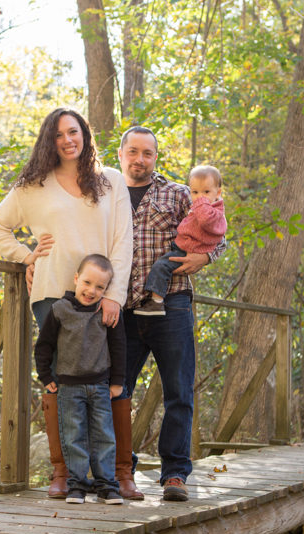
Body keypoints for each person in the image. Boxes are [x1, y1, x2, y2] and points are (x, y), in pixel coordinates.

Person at [0, 108, 133, 499]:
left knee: (106, 381)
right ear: (49, 141)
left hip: (99, 296)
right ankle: (63, 473)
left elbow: (122, 241)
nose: (68, 140)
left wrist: (114, 295)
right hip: (52, 292)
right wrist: (26, 255)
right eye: (59, 135)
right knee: (57, 382)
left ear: (85, 133)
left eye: (74, 131)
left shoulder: (111, 181)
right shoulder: (32, 186)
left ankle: (115, 475)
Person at [115, 126, 227, 501]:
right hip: (124, 308)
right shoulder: (106, 195)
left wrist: (205, 256)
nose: (140, 159)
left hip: (172, 305)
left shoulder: (179, 193)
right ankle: (120, 468)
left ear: (155, 158)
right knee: (117, 390)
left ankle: (174, 474)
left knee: (178, 392)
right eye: (133, 151)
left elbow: (218, 234)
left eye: (147, 153)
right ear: (121, 153)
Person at [34, 254, 126, 504]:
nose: (91, 290)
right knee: (73, 436)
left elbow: (118, 346)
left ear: (106, 289)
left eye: (100, 287)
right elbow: (44, 346)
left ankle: (107, 485)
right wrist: (45, 376)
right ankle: (77, 485)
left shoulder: (106, 311)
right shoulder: (60, 310)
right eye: (87, 283)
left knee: (104, 435)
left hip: (100, 386)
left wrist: (117, 381)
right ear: (76, 278)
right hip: (69, 387)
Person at [134, 165, 226, 317]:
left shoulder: (211, 212)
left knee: (161, 266)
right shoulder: (203, 207)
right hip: (181, 245)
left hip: (185, 252)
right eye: (195, 192)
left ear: (218, 193)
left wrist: (204, 257)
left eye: (206, 192)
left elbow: (215, 232)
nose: (199, 197)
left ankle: (156, 302)